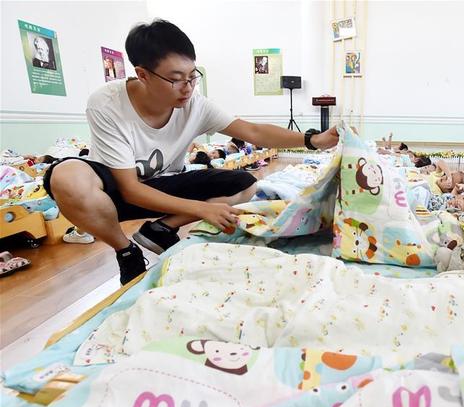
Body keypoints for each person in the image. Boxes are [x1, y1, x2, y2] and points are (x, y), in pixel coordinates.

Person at [44, 20, 339, 284]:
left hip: (163, 185)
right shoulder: (107, 103)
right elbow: (131, 190)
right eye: (176, 78)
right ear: (143, 75)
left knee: (246, 184)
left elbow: (252, 132)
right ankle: (126, 250)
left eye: (192, 75)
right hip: (113, 193)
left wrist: (314, 139)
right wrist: (201, 209)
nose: (187, 87)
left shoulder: (195, 104)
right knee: (66, 176)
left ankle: (160, 230)